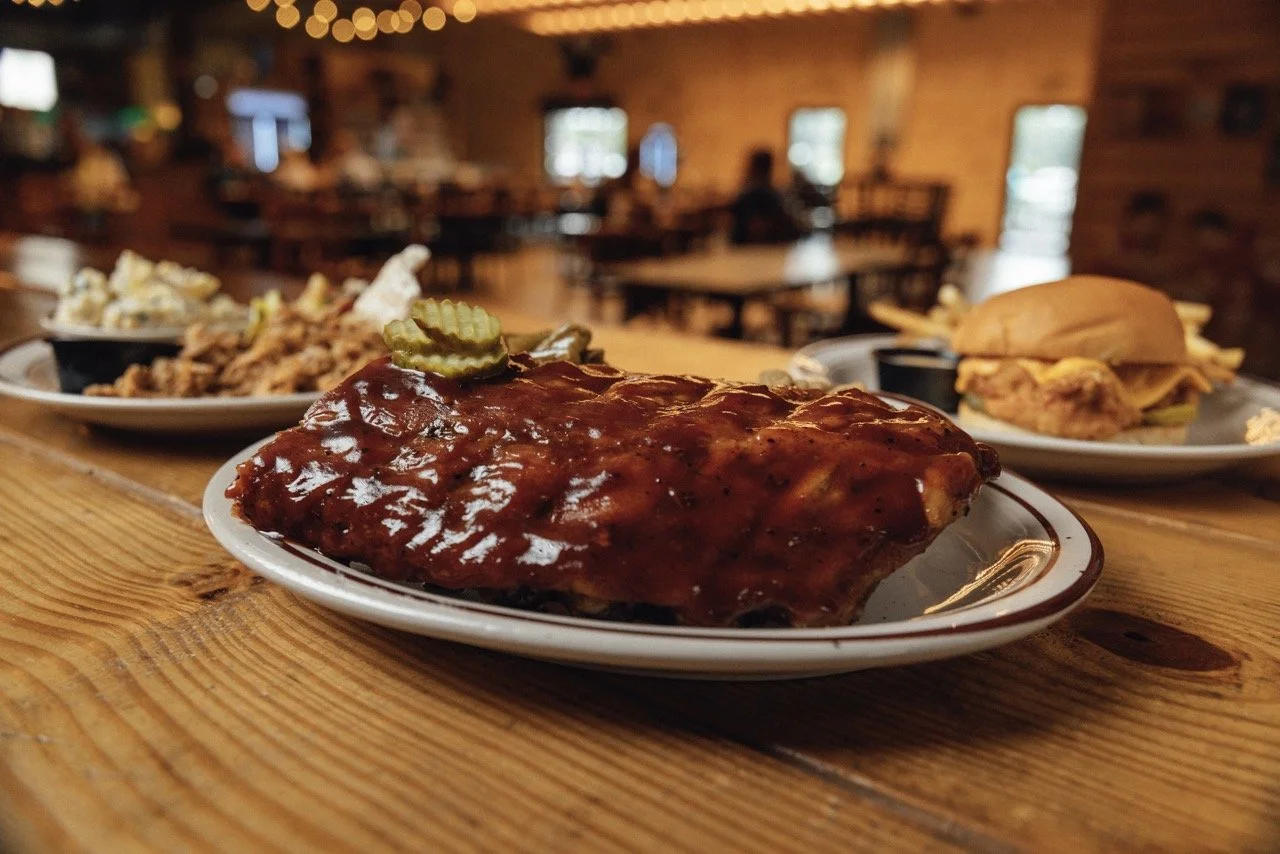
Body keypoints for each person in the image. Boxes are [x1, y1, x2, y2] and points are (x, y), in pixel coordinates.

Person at [729, 148, 805, 245]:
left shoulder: (755, 192)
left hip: (753, 248)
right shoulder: (768, 192)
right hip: (761, 246)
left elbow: (756, 226)